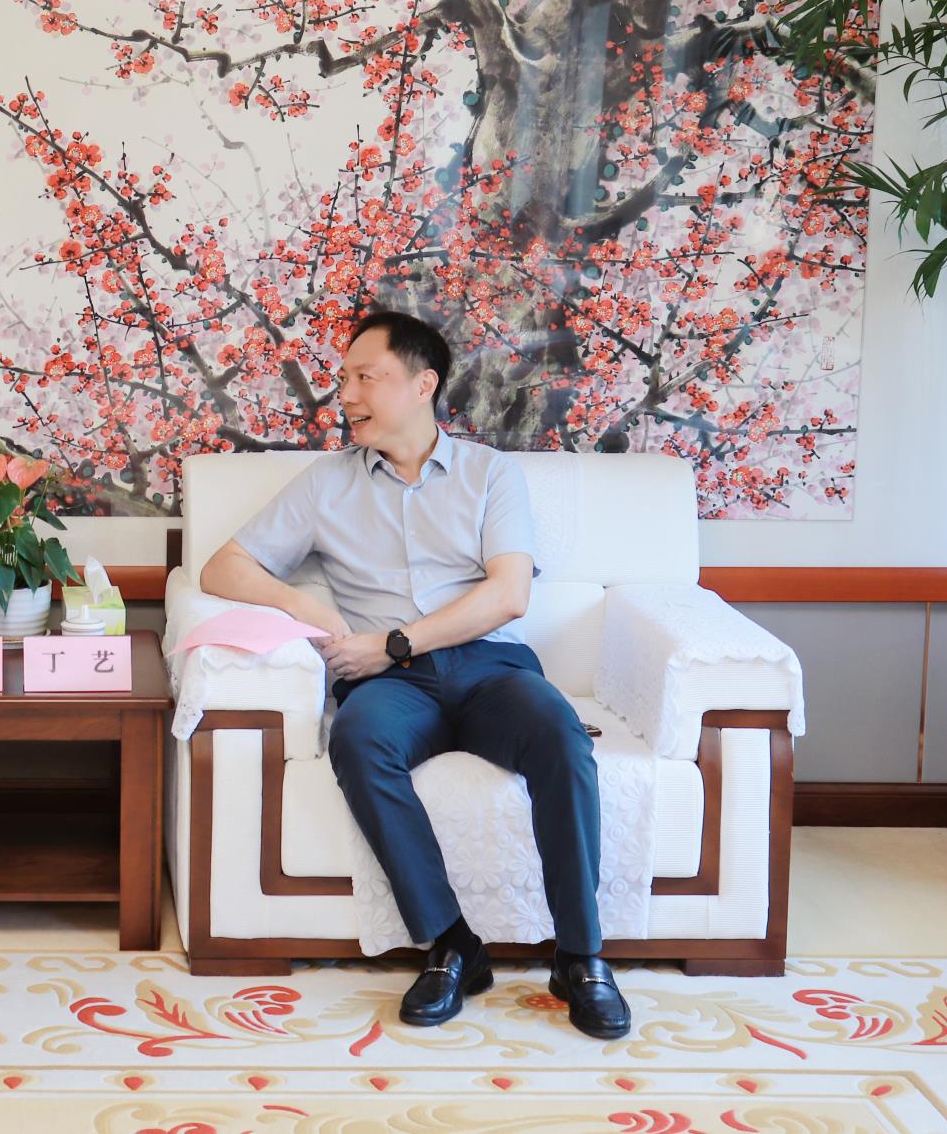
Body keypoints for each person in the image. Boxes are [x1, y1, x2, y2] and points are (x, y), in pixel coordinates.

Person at [198, 310, 630, 1040]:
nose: (346, 394)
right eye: (344, 378)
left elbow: (508, 595)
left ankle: (580, 956)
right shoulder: (326, 483)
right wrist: (303, 603)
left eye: (366, 377)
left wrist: (394, 643)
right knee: (358, 739)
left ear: (423, 384)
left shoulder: (491, 474)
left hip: (488, 667)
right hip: (390, 689)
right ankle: (452, 945)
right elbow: (222, 566)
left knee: (560, 735)